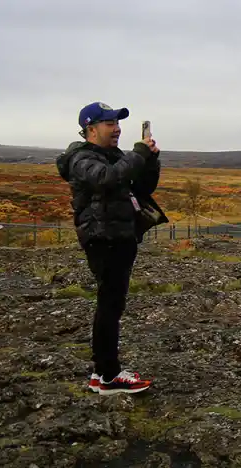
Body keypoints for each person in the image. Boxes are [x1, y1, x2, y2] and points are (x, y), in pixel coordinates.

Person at [56, 101, 159, 395]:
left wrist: (150, 160)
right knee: (110, 303)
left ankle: (102, 373)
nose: (117, 129)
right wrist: (137, 154)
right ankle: (108, 375)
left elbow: (144, 187)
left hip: (120, 235)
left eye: (117, 123)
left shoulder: (112, 156)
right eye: (109, 124)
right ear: (91, 129)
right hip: (103, 237)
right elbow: (105, 179)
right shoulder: (81, 158)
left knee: (112, 303)